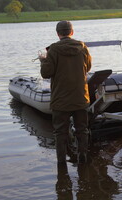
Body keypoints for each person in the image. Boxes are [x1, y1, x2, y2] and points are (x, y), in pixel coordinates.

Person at [40, 20, 92, 164]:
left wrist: (43, 61)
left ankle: (61, 165)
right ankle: (83, 159)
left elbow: (46, 73)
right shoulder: (83, 48)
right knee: (82, 131)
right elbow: (87, 67)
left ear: (58, 34)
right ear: (72, 32)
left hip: (60, 101)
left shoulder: (53, 50)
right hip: (81, 98)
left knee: (60, 133)